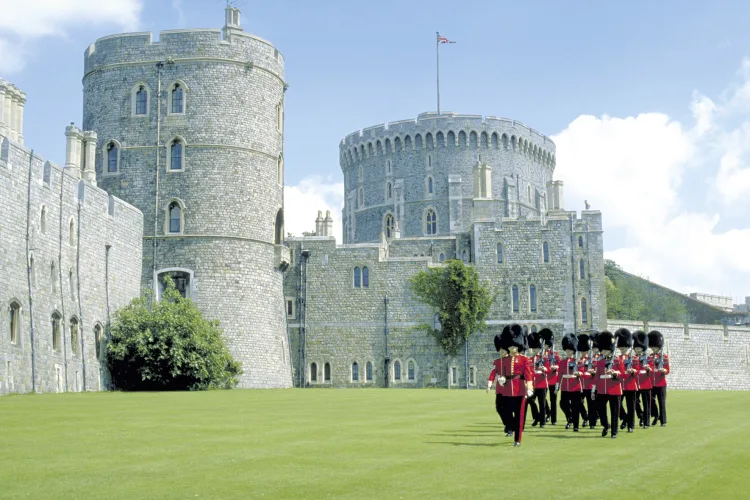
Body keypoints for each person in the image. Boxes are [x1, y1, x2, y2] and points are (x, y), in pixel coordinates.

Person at [488, 324, 534, 447]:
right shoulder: (505, 359)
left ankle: (517, 439)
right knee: (505, 410)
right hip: (507, 390)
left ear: (518, 346)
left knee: (519, 415)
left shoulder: (524, 359)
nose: (512, 348)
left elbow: (528, 375)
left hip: (520, 390)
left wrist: (529, 388)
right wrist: (502, 379)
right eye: (510, 345)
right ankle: (510, 426)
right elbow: (501, 372)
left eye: (514, 346)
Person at [594, 330, 624, 438]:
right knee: (600, 408)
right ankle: (606, 425)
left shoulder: (617, 360)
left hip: (614, 388)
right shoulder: (600, 361)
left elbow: (623, 375)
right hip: (602, 389)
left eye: (605, 350)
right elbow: (597, 376)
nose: (603, 352)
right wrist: (594, 390)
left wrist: (616, 373)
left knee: (615, 412)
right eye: (602, 350)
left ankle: (614, 432)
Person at [487, 332, 512, 435]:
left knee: (508, 409)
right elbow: (493, 373)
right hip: (500, 389)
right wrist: (489, 385)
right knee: (499, 408)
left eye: (503, 350)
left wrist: (506, 378)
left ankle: (510, 428)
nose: (501, 352)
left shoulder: (511, 360)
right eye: (500, 350)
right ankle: (507, 424)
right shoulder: (497, 361)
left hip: (509, 387)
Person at [615, 328, 638, 434]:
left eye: (624, 347)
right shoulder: (617, 358)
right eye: (621, 347)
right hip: (620, 385)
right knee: (618, 405)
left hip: (630, 384)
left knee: (630, 406)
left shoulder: (633, 358)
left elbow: (637, 369)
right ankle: (624, 418)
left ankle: (630, 425)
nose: (622, 348)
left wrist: (633, 370)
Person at [559, 333, 583, 432]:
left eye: (570, 350)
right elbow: (559, 375)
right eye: (567, 350)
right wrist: (557, 386)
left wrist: (579, 373)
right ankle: (570, 418)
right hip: (565, 386)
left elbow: (583, 371)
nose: (568, 352)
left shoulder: (578, 361)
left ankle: (575, 425)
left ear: (573, 351)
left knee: (575, 407)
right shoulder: (562, 361)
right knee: (563, 404)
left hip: (575, 386)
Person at [526, 330, 549, 427]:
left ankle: (542, 422)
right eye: (533, 348)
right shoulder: (530, 359)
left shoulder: (544, 358)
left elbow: (548, 368)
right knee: (530, 401)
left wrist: (543, 368)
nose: (534, 350)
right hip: (533, 384)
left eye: (536, 348)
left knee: (541, 404)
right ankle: (536, 418)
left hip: (542, 383)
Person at [539, 328, 560, 425]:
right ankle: (548, 412)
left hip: (553, 379)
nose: (545, 346)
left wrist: (556, 366)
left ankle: (554, 420)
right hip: (544, 380)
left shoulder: (555, 354)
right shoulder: (541, 355)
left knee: (553, 401)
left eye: (546, 345)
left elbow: (560, 365)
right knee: (543, 400)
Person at [648, 330, 669, 427]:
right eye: (652, 347)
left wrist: (663, 370)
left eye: (655, 346)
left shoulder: (664, 357)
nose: (653, 348)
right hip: (651, 383)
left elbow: (667, 370)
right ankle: (656, 415)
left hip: (661, 383)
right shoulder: (650, 357)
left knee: (662, 403)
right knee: (651, 401)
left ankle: (663, 421)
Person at [633, 330, 653, 429]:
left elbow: (652, 370)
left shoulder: (648, 358)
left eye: (639, 347)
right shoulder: (632, 358)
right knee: (635, 402)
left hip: (645, 382)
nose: (637, 349)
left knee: (646, 403)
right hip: (635, 383)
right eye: (636, 347)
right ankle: (640, 416)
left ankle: (646, 422)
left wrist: (649, 369)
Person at [577, 333, 594, 428]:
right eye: (582, 351)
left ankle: (592, 422)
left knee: (591, 405)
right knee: (579, 403)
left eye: (585, 351)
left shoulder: (592, 360)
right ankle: (585, 417)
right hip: (580, 385)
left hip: (589, 385)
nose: (583, 352)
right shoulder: (578, 360)